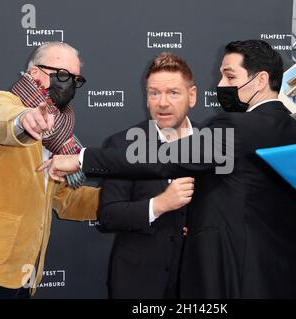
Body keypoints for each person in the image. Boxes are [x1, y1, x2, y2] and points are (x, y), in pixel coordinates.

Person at [41, 40, 296, 298]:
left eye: (230, 77)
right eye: (154, 93)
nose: (221, 85)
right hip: (284, 275)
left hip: (235, 273)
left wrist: (80, 159)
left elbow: (160, 159)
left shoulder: (236, 127)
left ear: (262, 80)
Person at [0, 42, 99, 299]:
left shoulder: (61, 136)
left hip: (23, 274)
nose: (68, 84)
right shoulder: (2, 102)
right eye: (61, 74)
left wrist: (125, 197)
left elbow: (65, 199)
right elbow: (1, 120)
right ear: (35, 73)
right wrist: (24, 120)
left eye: (75, 79)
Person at [98, 52, 196, 298]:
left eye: (173, 92)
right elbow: (108, 215)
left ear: (191, 96)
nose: (162, 103)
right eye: (154, 93)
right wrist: (160, 204)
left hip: (196, 280)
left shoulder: (214, 145)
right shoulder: (122, 144)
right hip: (137, 282)